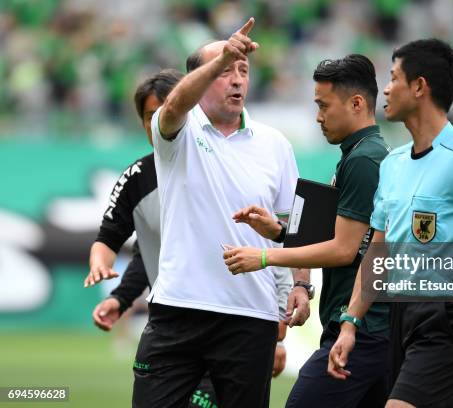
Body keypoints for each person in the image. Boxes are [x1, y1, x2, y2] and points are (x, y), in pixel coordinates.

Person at [83, 68, 291, 408]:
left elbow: (277, 240)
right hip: (178, 316)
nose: (163, 119)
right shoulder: (138, 177)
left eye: (170, 108)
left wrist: (282, 313)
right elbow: (142, 248)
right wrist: (118, 295)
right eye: (152, 115)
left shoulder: (234, 161)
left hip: (240, 320)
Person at [327, 39, 453, 408]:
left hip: (451, 318)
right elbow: (379, 250)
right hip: (402, 316)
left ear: (419, 87)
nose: (386, 88)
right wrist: (350, 323)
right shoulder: (392, 164)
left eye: (393, 77)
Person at [133, 18, 301, 408]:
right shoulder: (176, 132)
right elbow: (174, 104)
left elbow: (295, 227)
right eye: (225, 71)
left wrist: (299, 286)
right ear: (200, 78)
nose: (238, 79)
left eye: (243, 70)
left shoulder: (275, 145)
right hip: (179, 307)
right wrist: (222, 55)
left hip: (251, 316)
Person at [223, 54, 391, 407]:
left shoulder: (364, 160)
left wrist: (266, 257)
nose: (318, 116)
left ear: (357, 103)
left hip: (361, 329)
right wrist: (280, 232)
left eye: (323, 105)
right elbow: (347, 237)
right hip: (363, 328)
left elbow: (344, 250)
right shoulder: (359, 154)